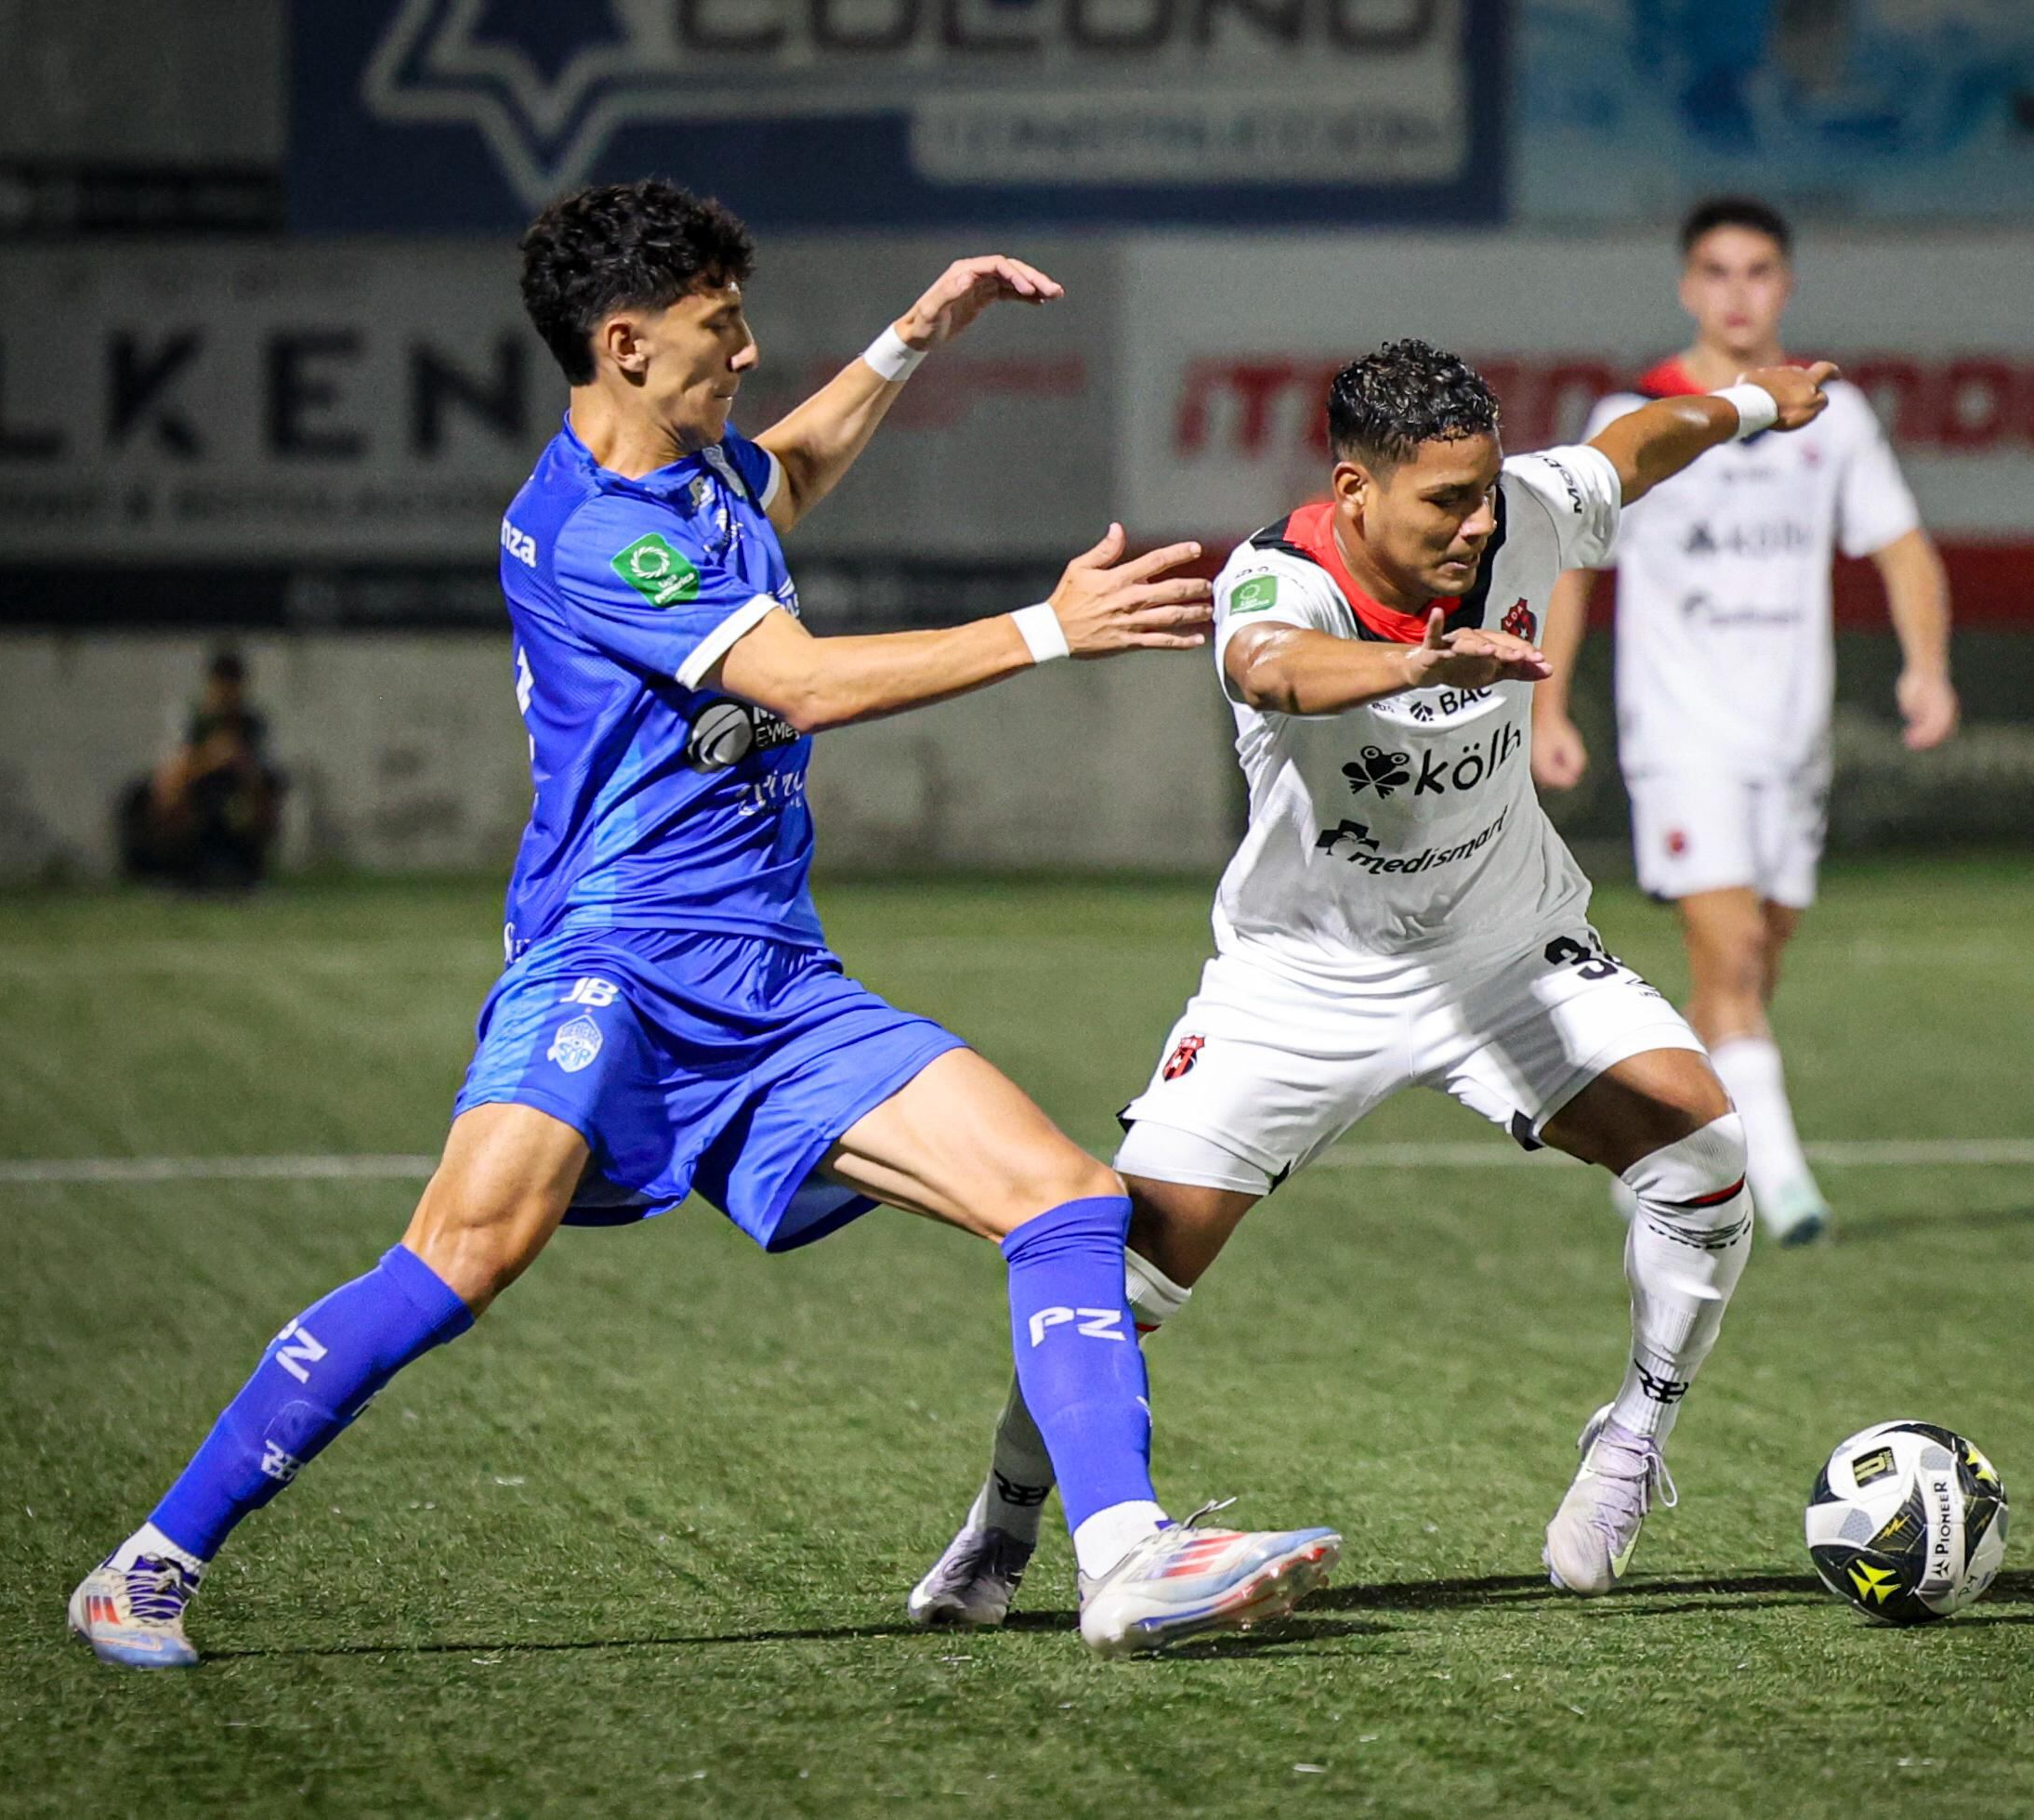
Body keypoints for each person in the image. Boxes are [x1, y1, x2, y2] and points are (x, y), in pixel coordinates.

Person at [67, 178, 1338, 1671]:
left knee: (1062, 1197)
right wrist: (1047, 626)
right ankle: (147, 1563)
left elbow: (788, 467)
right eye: (718, 329)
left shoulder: (698, 480)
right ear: (623, 344)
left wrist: (919, 333)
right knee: (456, 1259)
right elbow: (797, 682)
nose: (746, 353)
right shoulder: (602, 527)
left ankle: (1124, 1556)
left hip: (776, 979)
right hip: (616, 960)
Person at [908, 339, 1840, 1629]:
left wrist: (1750, 404)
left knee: (1704, 1148)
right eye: (1442, 502)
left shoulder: (1521, 509)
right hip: (1301, 983)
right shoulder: (1275, 578)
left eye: (1484, 494)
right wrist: (1421, 663)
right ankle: (1008, 1512)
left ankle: (1631, 1436)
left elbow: (1633, 451)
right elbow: (1271, 668)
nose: (1475, 524)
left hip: (1504, 949)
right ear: (1355, 490)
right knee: (1119, 1280)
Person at [1532, 196, 1955, 1243]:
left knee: (1755, 963)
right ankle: (1785, 1186)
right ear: (1688, 288)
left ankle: (1667, 1151)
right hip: (1680, 736)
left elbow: (1901, 545)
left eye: (1757, 272)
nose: (1737, 293)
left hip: (1792, 739)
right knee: (1726, 963)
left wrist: (1927, 667)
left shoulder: (1834, 417)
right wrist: (1551, 702)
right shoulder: (1635, 416)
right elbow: (1572, 565)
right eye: (1716, 272)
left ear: (1785, 286)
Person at [118, 649, 287, 888]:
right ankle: (173, 867)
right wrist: (210, 759)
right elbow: (171, 773)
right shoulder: (192, 720)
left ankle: (247, 868)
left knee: (260, 799)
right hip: (196, 794)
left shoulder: (252, 724)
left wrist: (241, 765)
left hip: (235, 796)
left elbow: (263, 775)